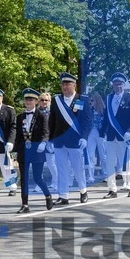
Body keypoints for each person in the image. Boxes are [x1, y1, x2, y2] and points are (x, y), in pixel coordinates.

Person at [49, 72, 92, 205]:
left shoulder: (82, 99)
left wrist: (84, 137)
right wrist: (50, 139)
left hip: (76, 140)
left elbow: (87, 121)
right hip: (59, 140)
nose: (65, 87)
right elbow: (52, 121)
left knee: (78, 168)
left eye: (68, 84)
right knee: (61, 169)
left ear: (74, 85)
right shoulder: (57, 100)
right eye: (63, 84)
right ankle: (63, 195)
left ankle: (83, 191)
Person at [14, 88, 53, 213]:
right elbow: (18, 135)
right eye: (27, 100)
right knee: (24, 178)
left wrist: (43, 143)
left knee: (37, 177)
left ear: (36, 101)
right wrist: (15, 150)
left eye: (31, 100)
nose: (28, 102)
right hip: (24, 151)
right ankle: (25, 205)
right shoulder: (20, 117)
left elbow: (46, 132)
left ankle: (47, 195)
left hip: (37, 150)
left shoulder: (42, 116)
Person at [102, 72, 130, 198]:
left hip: (124, 135)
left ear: (124, 85)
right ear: (112, 85)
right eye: (116, 84)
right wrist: (102, 133)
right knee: (109, 162)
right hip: (111, 135)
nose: (118, 86)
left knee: (127, 162)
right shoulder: (109, 98)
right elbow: (106, 117)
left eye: (120, 84)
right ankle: (112, 189)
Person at [86, 92, 107, 184]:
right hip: (91, 133)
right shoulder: (89, 109)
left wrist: (104, 132)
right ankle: (90, 176)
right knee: (90, 155)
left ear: (96, 100)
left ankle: (106, 174)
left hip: (100, 134)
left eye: (92, 100)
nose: (90, 102)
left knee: (103, 155)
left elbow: (106, 122)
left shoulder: (103, 110)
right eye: (90, 100)